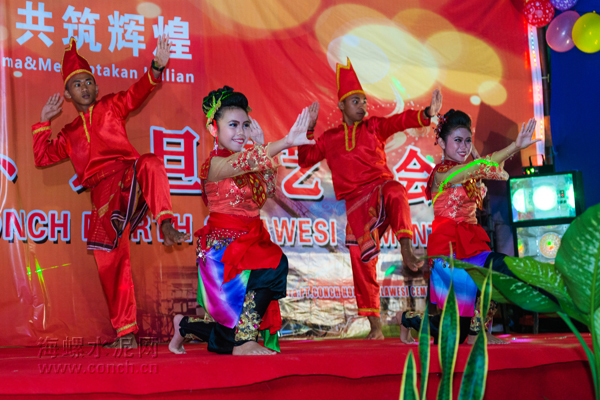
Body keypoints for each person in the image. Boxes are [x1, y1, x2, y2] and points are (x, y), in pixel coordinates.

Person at [31, 36, 190, 348]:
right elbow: (42, 157)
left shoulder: (111, 106)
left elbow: (136, 94)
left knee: (151, 163)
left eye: (89, 82)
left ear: (97, 87)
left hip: (128, 176)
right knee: (109, 260)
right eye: (77, 84)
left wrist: (156, 67)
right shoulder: (69, 133)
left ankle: (165, 223)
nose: (85, 88)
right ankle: (126, 335)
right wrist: (43, 123)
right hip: (102, 197)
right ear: (67, 94)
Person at [297, 58, 442, 339]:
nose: (363, 106)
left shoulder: (373, 127)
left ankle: (406, 247)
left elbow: (398, 121)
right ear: (341, 106)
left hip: (379, 190)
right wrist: (309, 130)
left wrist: (426, 114)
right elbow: (305, 158)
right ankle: (375, 327)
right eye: (356, 101)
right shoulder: (330, 138)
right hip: (356, 205)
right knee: (360, 258)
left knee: (395, 189)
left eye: (364, 101)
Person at [169, 86, 314, 355]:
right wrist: (285, 142)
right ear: (213, 129)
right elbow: (245, 161)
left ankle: (185, 326)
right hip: (224, 250)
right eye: (233, 125)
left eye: (245, 125)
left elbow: (266, 192)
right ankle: (243, 341)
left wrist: (261, 147)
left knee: (225, 337)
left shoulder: (248, 163)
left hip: (250, 242)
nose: (241, 132)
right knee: (274, 265)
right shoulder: (214, 165)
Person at [398, 110, 537, 345]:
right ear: (442, 143)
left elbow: (493, 171)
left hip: (471, 244)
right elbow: (477, 168)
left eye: (467, 141)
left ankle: (475, 331)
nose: (464, 147)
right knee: (455, 332)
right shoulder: (442, 174)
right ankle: (411, 319)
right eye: (457, 140)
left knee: (500, 269)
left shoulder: (470, 170)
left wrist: (506, 152)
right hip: (449, 249)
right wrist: (513, 147)